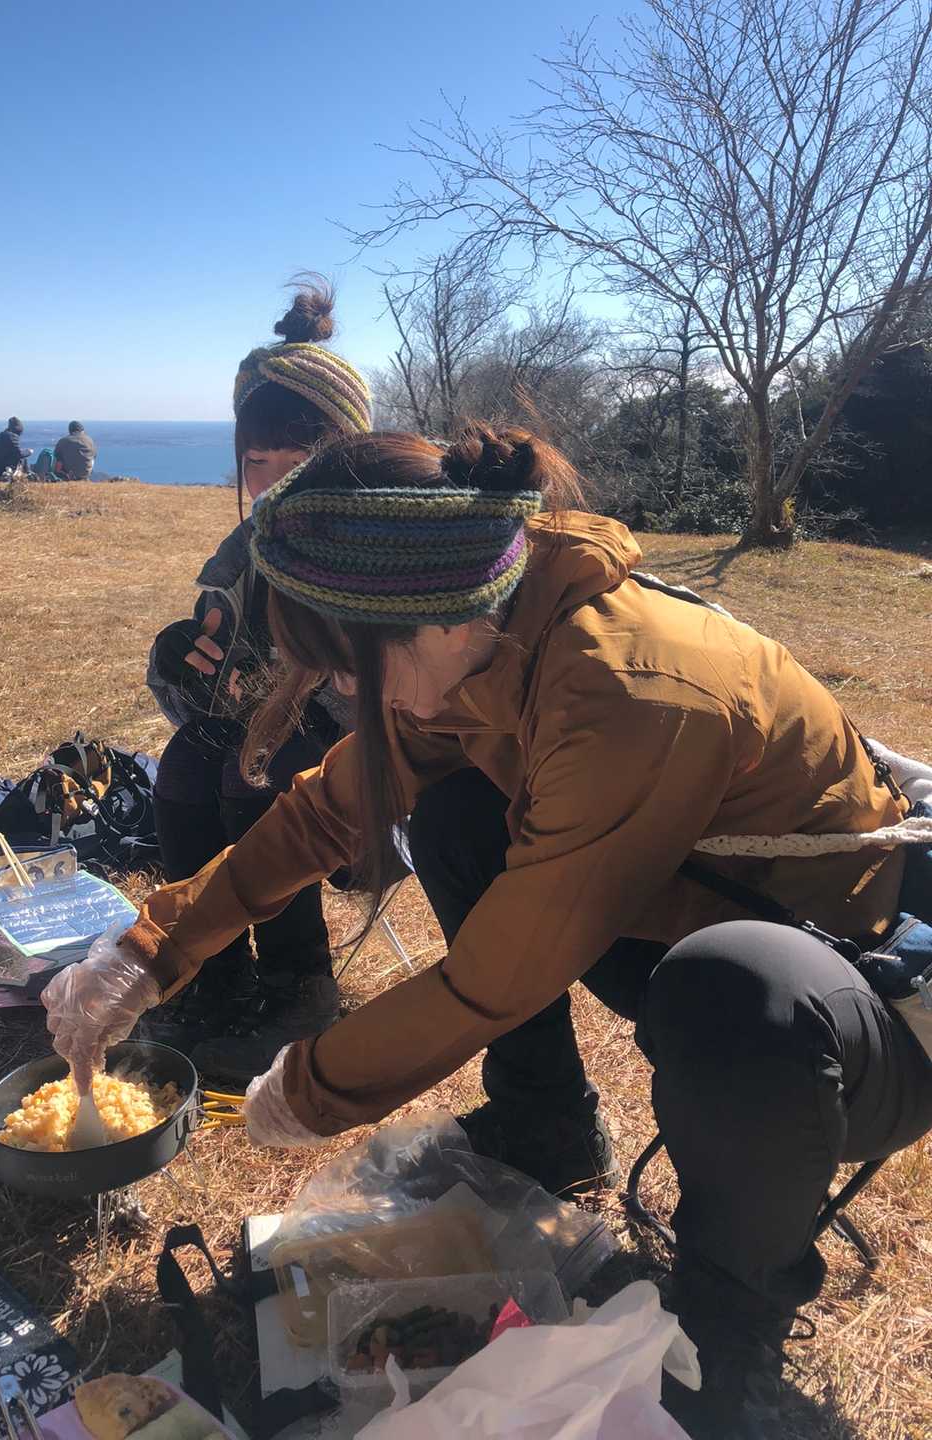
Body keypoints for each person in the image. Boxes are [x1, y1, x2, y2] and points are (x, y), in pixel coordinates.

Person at [46, 423, 932, 1437]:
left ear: (427, 620)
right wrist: (148, 949)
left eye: (347, 667)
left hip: (853, 1013)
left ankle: (729, 1340)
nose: (343, 693)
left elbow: (496, 977)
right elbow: (329, 809)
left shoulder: (626, 689)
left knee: (734, 987)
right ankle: (543, 1120)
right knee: (455, 813)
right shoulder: (490, 630)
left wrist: (312, 1085)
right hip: (693, 918)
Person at [141, 279, 371, 1080]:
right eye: (257, 463)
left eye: (301, 461)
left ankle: (299, 984)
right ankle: (212, 975)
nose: (276, 483)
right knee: (186, 764)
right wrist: (176, 662)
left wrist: (327, 678)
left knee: (254, 771)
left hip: (383, 778)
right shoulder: (245, 558)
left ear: (349, 454)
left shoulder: (379, 551)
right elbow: (207, 702)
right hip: (275, 748)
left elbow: (404, 709)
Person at [0, 416, 31, 481]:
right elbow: (19, 454)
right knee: (23, 459)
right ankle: (28, 476)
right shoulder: (12, 436)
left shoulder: (0, 435)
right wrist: (28, 452)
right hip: (6, 467)